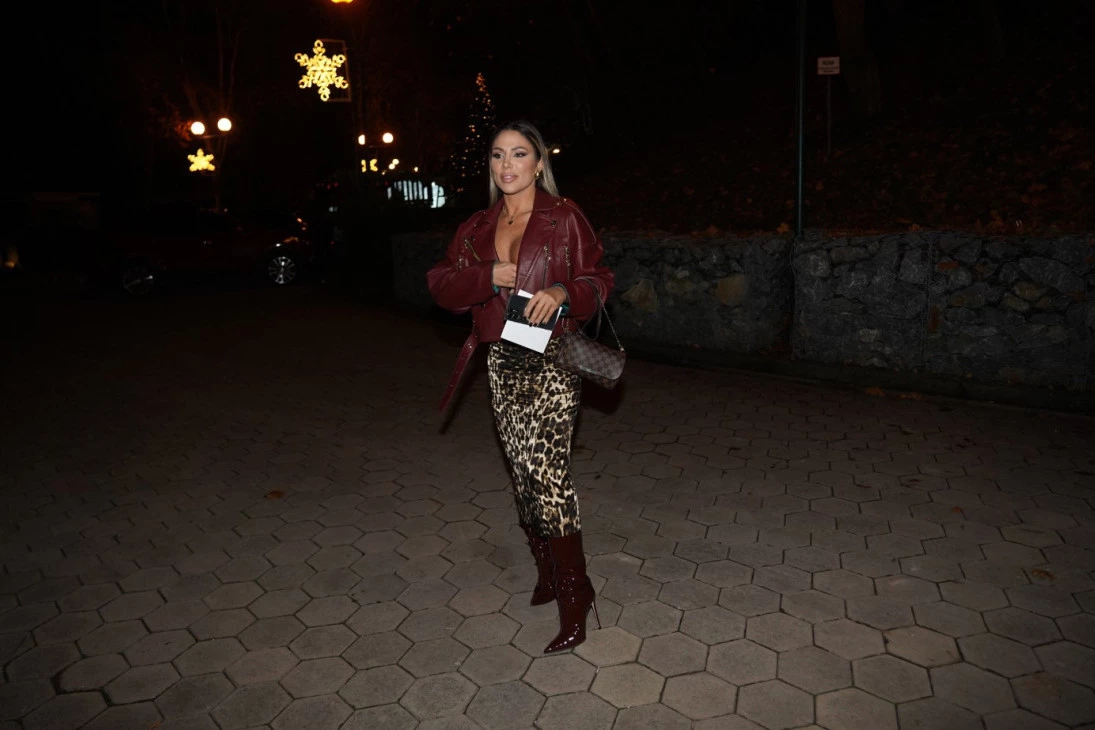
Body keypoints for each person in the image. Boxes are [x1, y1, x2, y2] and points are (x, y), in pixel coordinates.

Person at [427, 120, 614, 653]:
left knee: (548, 473)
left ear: (538, 163)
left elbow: (600, 279)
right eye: (497, 154)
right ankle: (546, 569)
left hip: (553, 356)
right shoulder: (476, 228)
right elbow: (441, 286)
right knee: (523, 474)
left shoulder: (563, 217)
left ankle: (576, 595)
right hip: (502, 359)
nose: (506, 165)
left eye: (519, 154)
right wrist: (488, 275)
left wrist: (562, 291)